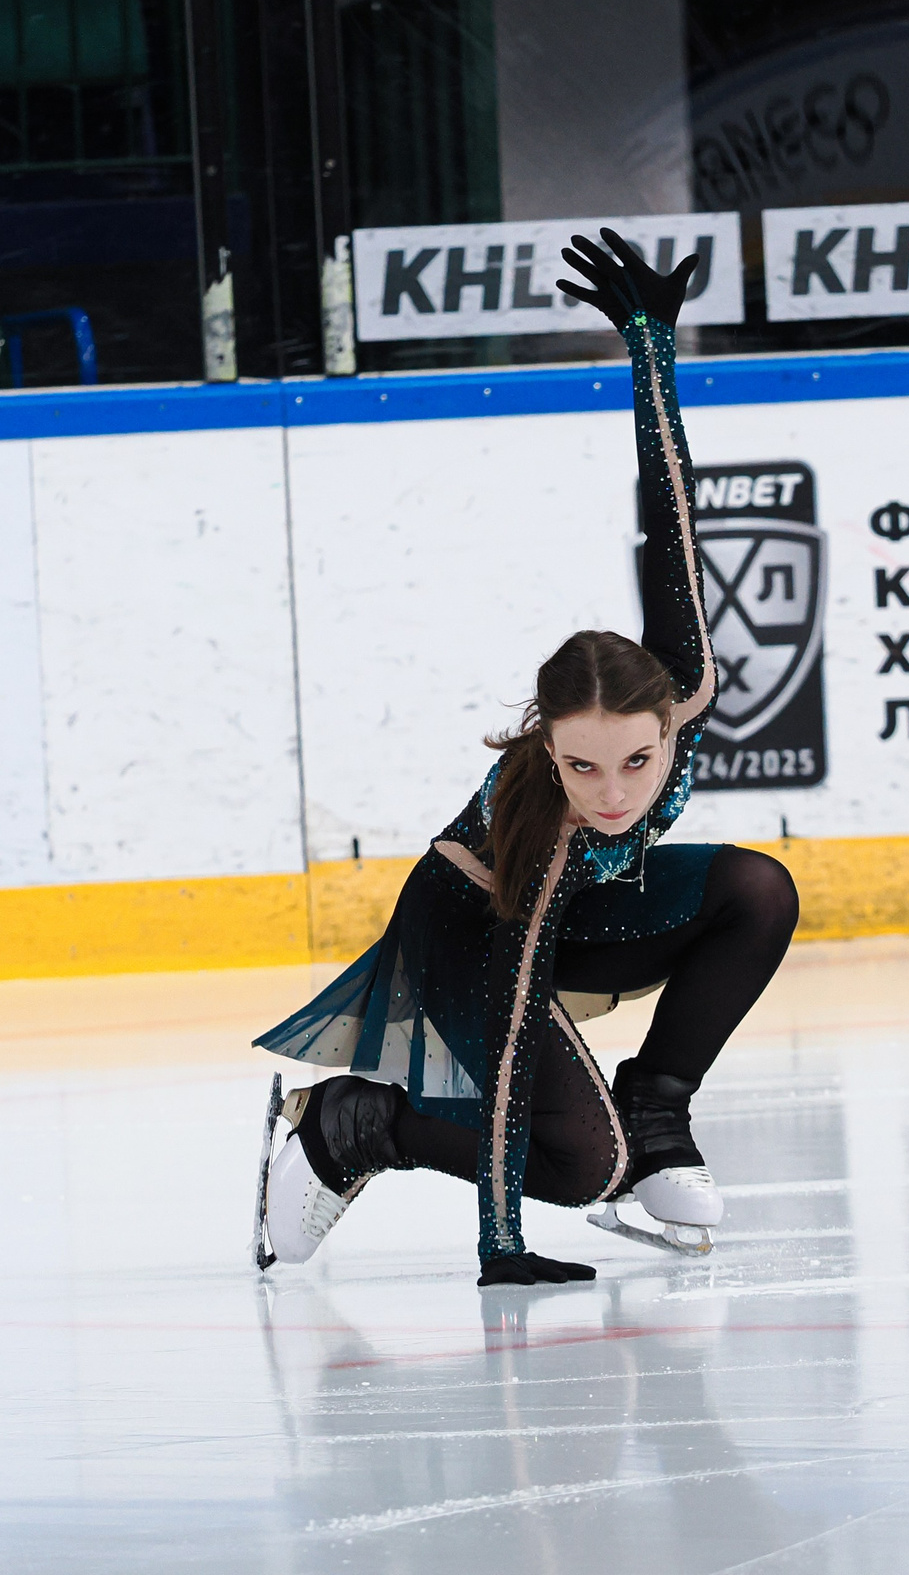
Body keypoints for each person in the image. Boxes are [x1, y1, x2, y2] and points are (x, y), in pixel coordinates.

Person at [253, 231, 802, 1287]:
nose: (612, 793)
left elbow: (670, 508)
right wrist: (501, 1248)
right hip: (470, 932)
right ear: (547, 747)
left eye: (637, 767)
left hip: (592, 917)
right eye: (582, 768)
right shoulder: (546, 825)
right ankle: (355, 1125)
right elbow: (505, 1048)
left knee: (756, 888)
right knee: (581, 1167)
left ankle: (659, 1107)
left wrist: (650, 345)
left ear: (667, 724)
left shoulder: (681, 686)